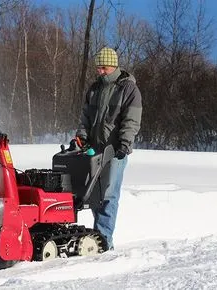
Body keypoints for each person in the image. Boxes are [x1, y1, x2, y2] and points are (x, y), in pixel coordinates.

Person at [76, 47, 142, 250]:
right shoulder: (94, 89)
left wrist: (125, 143)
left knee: (108, 195)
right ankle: (97, 237)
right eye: (98, 68)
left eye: (103, 68)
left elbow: (132, 120)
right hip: (94, 150)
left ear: (113, 66)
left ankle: (104, 240)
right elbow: (86, 116)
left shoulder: (128, 89)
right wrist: (82, 135)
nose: (100, 72)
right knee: (92, 194)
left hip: (115, 151)